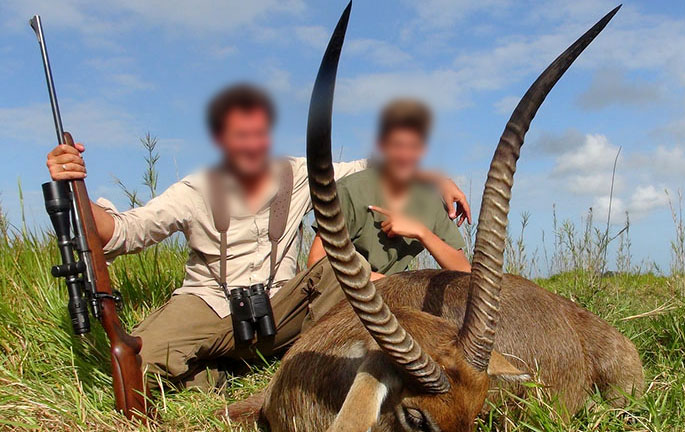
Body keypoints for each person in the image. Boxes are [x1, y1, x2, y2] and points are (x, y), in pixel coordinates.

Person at [45, 84, 470, 388]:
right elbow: (121, 232)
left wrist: (437, 178)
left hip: (280, 307)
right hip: (212, 302)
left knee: (335, 269)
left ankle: (322, 377)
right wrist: (74, 185)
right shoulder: (195, 189)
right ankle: (219, 371)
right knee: (135, 366)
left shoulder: (298, 174)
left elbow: (377, 165)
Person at [307, 98, 471, 280]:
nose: (405, 155)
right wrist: (389, 284)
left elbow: (464, 271)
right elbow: (316, 261)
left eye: (413, 147)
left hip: (395, 297)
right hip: (348, 294)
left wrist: (421, 232)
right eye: (397, 146)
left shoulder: (430, 201)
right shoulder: (350, 190)